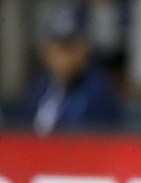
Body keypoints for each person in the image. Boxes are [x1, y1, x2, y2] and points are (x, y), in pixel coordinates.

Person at [20, 5, 122, 135]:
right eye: (58, 47)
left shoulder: (99, 91)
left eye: (70, 48)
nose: (63, 58)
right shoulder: (39, 87)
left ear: (84, 50)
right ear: (45, 51)